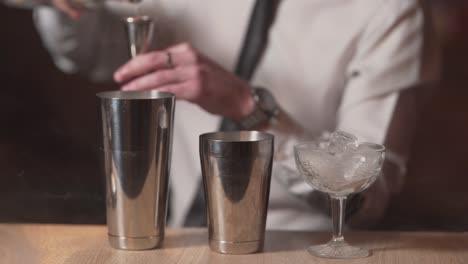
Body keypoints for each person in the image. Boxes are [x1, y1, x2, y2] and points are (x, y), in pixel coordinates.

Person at [6, 0, 428, 230]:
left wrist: (252, 110)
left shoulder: (389, 13)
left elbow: (365, 198)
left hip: (294, 247)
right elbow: (91, 51)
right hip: (170, 240)